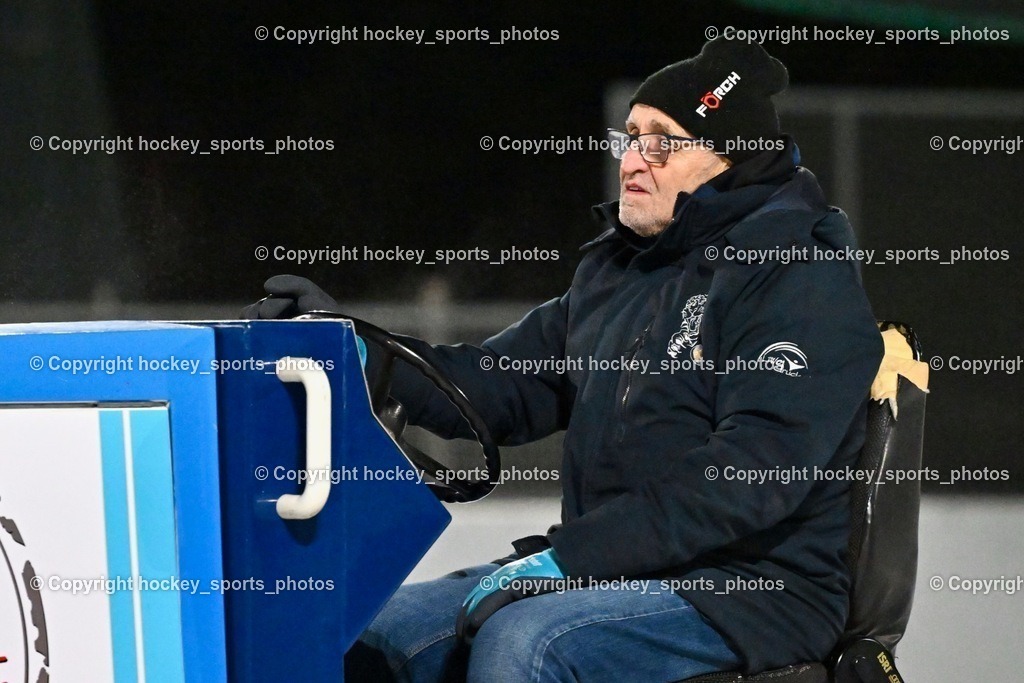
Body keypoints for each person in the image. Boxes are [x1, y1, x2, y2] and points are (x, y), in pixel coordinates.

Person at [245, 37, 883, 683]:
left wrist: (573, 558)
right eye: (629, 136)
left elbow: (748, 474)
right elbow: (495, 385)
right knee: (372, 632)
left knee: (526, 643)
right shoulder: (617, 273)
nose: (633, 160)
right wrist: (359, 351)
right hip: (618, 569)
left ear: (727, 159)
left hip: (750, 589)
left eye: (661, 141)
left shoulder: (798, 277)